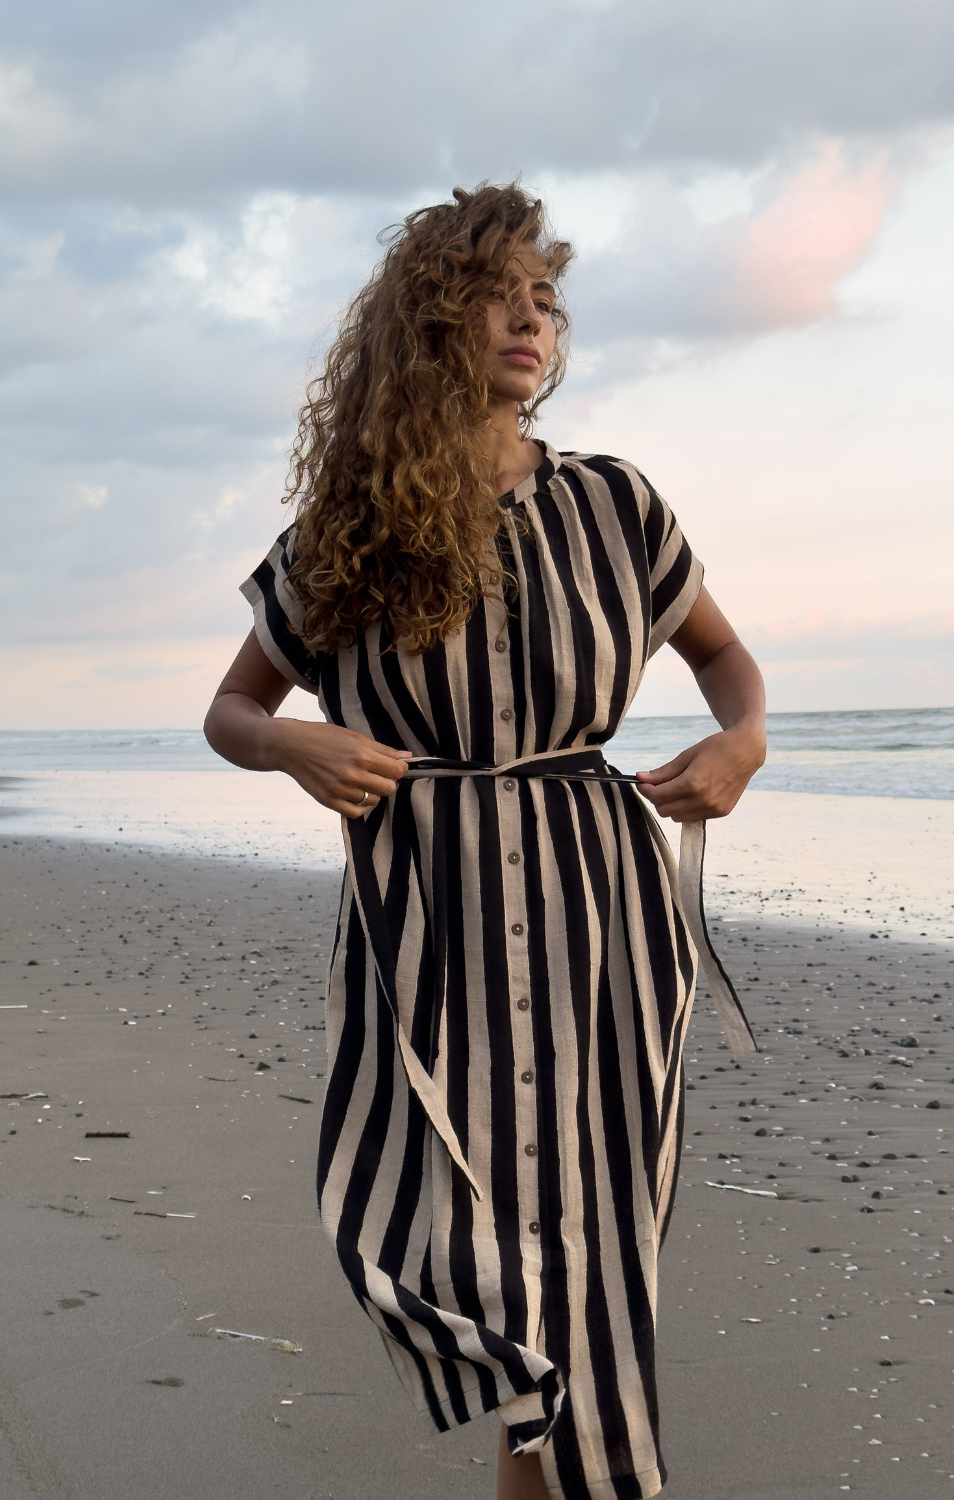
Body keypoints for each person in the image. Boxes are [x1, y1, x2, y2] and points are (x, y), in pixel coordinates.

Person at [204, 182, 766, 1500]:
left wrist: (741, 744)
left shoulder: (619, 506)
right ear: (433, 321)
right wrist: (296, 745)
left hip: (600, 896)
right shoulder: (353, 524)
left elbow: (728, 661)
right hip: (428, 903)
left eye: (548, 298)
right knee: (445, 1225)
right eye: (501, 293)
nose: (532, 319)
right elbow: (235, 707)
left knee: (594, 1241)